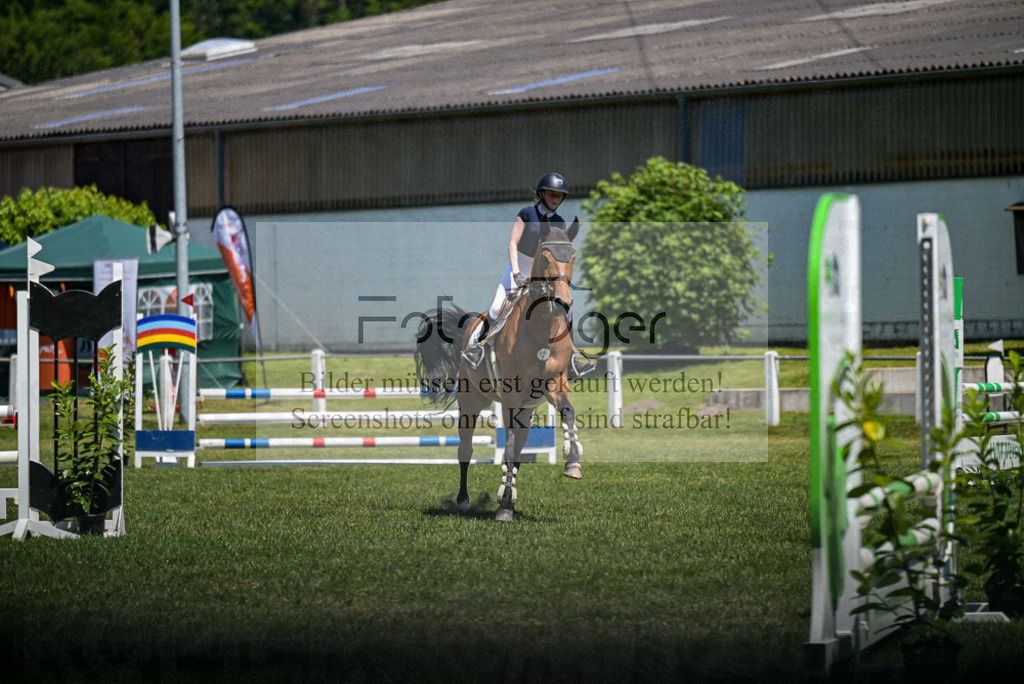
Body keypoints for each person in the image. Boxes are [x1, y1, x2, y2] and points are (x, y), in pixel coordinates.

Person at [462, 172, 595, 377]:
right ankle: (476, 347)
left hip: (542, 272)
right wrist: (516, 274)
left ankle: (574, 356)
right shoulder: (526, 213)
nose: (556, 199)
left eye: (560, 196)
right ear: (542, 193)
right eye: (552, 194)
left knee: (565, 311)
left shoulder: (559, 222)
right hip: (520, 267)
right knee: (497, 307)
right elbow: (513, 243)